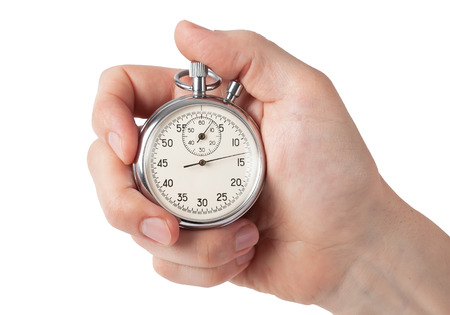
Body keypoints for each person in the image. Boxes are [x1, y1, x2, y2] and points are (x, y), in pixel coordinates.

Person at [87, 20, 450, 314]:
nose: (202, 158)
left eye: (208, 154)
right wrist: (353, 259)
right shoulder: (176, 129)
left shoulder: (250, 127)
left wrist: (357, 246)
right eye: (197, 158)